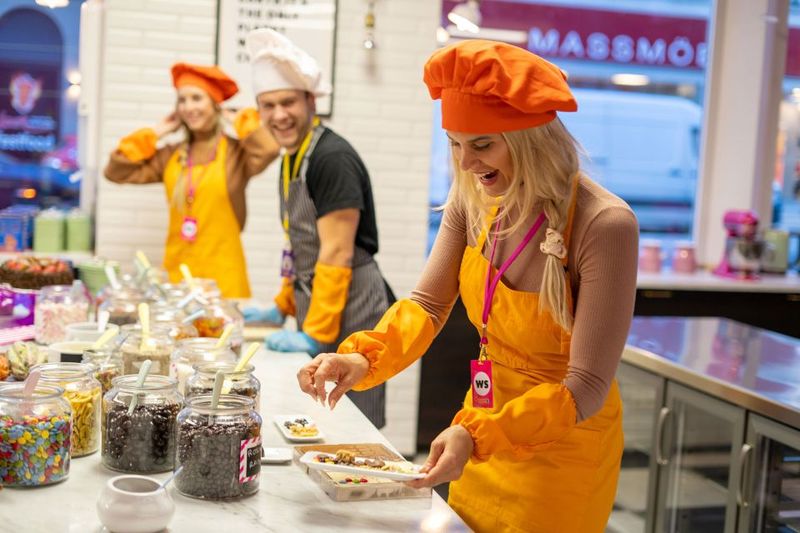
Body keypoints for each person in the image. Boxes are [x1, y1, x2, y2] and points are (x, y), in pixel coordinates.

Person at [296, 39, 639, 532]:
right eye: (454, 144)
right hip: (479, 423)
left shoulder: (604, 224)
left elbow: (585, 388)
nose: (466, 163)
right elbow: (428, 304)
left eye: (482, 144)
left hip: (562, 449)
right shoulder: (474, 195)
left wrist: (476, 436)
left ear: (533, 137)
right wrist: (362, 358)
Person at [244, 29, 392, 428]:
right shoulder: (294, 156)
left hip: (352, 309)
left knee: (352, 423)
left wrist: (316, 334)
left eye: (288, 101)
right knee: (316, 419)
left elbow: (336, 251)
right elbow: (301, 244)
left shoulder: (331, 158)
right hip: (317, 303)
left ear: (311, 101)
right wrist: (283, 304)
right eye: (269, 105)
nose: (280, 114)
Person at [104, 63, 279, 298]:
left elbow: (269, 148)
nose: (188, 107)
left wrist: (237, 120)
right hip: (178, 276)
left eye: (197, 98)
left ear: (215, 103)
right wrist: (157, 132)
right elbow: (115, 170)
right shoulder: (171, 155)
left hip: (224, 278)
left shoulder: (237, 155)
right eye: (182, 100)